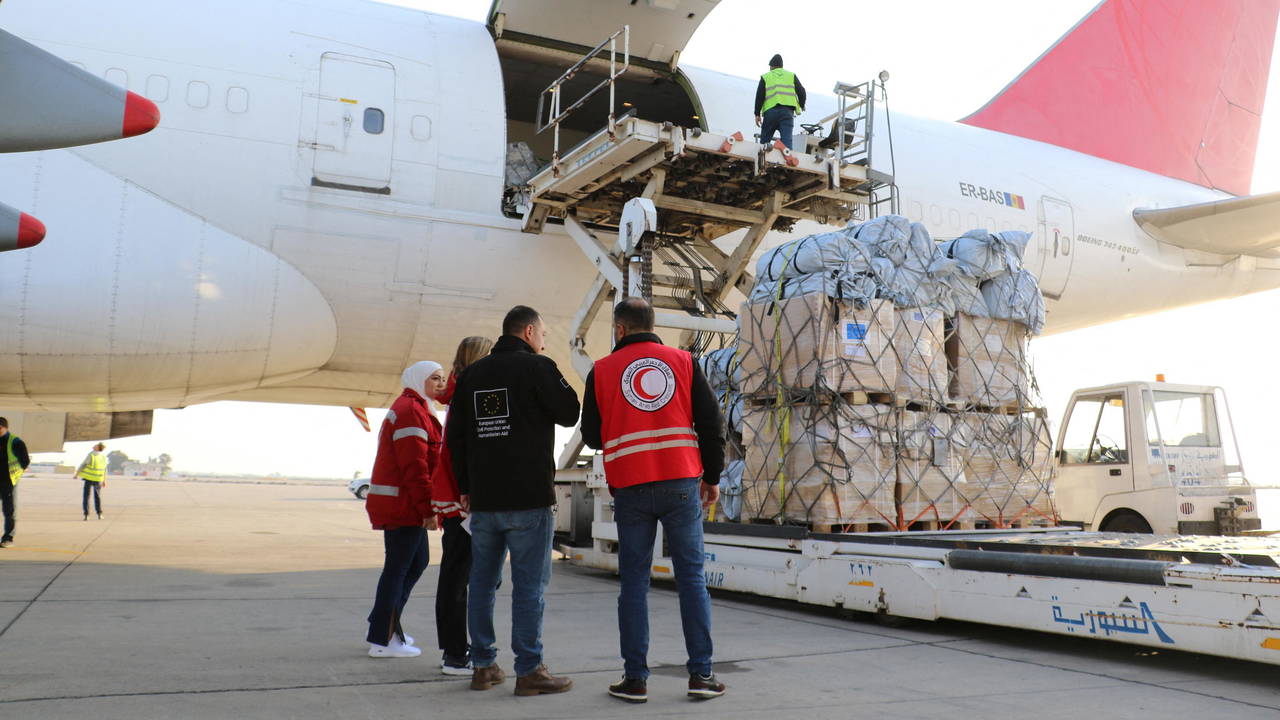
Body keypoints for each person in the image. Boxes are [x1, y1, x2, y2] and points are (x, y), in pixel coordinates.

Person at [580, 297, 727, 703]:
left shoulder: (602, 371)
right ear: (651, 324)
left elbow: (591, 435)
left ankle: (635, 679)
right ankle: (701, 675)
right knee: (692, 579)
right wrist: (711, 477)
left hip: (630, 487)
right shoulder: (682, 362)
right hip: (681, 481)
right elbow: (711, 423)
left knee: (633, 584)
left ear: (620, 329)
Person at [447, 305, 580, 696]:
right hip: (529, 500)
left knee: (482, 584)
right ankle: (529, 670)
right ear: (528, 332)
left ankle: (483, 666)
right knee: (529, 589)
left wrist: (465, 487)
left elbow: (456, 437)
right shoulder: (539, 368)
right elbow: (570, 412)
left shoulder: (472, 375)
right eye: (542, 334)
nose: (544, 341)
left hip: (484, 501)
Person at [365, 361, 447, 658]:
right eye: (435, 378)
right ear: (418, 380)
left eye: (443, 379)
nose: (441, 384)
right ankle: (382, 640)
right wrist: (428, 509)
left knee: (414, 563)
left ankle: (383, 625)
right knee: (399, 568)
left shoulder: (417, 408)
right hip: (404, 505)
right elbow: (415, 468)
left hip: (404, 504)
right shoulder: (412, 411)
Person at [430, 335, 494, 676]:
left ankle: (456, 648)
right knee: (459, 577)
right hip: (463, 499)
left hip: (456, 496)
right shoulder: (469, 393)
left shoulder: (457, 393)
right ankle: (455, 654)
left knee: (460, 575)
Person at [754, 53, 807, 150]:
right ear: (781, 66)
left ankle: (762, 158)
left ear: (771, 66)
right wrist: (802, 105)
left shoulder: (766, 77)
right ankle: (786, 161)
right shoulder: (791, 75)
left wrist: (757, 114)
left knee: (764, 142)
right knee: (787, 143)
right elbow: (802, 91)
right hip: (787, 113)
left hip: (770, 112)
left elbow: (759, 96)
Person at [0, 417, 29, 548]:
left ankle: (8, 538)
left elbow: (25, 461)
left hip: (9, 481)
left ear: (5, 427)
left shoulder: (15, 442)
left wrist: (16, 475)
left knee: (9, 511)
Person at [76, 442, 108, 520]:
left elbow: (83, 464)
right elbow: (104, 469)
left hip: (89, 478)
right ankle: (99, 514)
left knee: (86, 496)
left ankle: (86, 515)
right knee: (97, 497)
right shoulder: (103, 457)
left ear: (98, 448)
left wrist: (77, 473)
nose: (94, 445)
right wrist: (104, 480)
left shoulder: (91, 455)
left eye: (96, 445)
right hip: (98, 479)